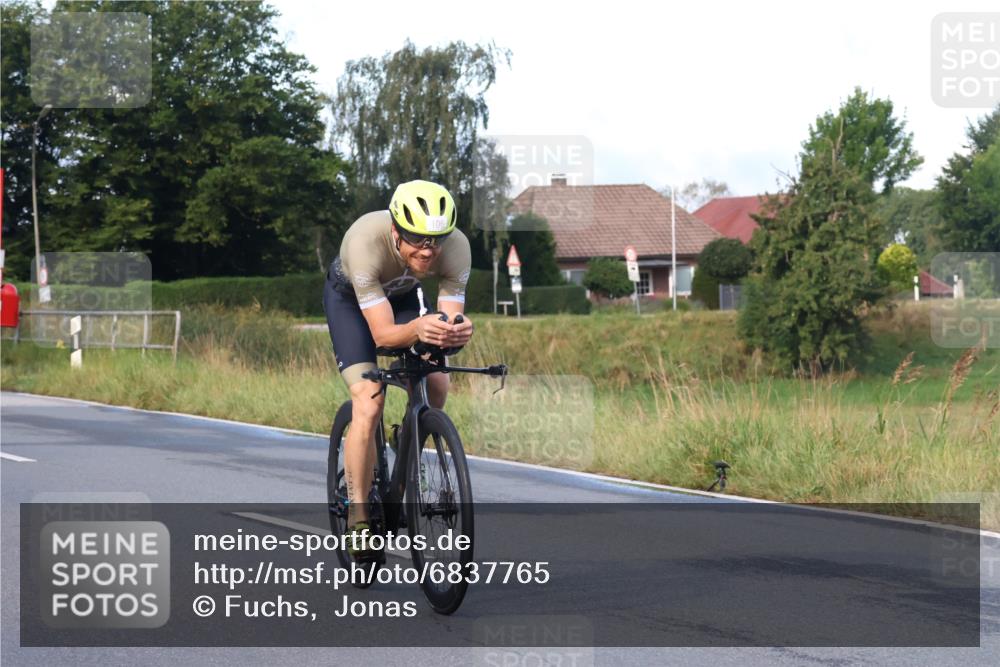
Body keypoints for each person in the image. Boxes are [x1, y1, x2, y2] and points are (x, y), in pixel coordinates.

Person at [323, 179, 474, 555]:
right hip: (352, 304)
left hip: (403, 296)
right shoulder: (364, 243)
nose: (428, 250)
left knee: (436, 383)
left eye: (435, 241)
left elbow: (448, 320)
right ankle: (359, 517)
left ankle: (408, 437)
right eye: (417, 239)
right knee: (369, 399)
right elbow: (383, 335)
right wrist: (418, 328)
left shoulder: (457, 249)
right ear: (395, 230)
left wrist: (454, 332)